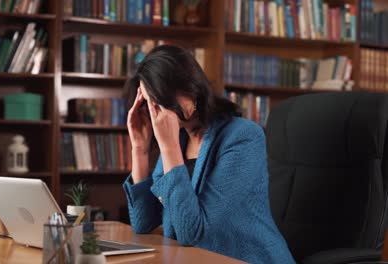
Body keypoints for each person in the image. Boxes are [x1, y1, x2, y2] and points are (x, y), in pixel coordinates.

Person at [122, 45, 295, 263]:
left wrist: (169, 148)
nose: (159, 111)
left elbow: (192, 233)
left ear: (190, 85)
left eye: (163, 99)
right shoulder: (180, 138)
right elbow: (143, 223)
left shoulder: (243, 137)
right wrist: (140, 149)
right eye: (151, 103)